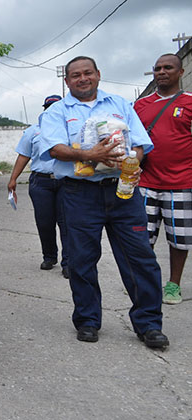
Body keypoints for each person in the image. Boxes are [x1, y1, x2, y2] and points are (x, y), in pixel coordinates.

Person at [39, 56, 168, 349]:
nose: (82, 79)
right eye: (75, 75)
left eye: (87, 73)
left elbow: (139, 142)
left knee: (140, 259)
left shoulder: (121, 105)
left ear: (98, 74)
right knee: (82, 260)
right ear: (67, 80)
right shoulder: (57, 111)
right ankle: (87, 320)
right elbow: (55, 149)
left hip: (123, 192)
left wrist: (129, 161)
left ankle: (148, 324)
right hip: (79, 194)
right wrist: (90, 155)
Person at [134, 53, 192, 305]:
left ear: (180, 72)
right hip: (145, 183)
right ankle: (145, 284)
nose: (161, 72)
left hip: (181, 184)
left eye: (168, 67)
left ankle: (173, 285)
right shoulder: (141, 105)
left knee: (179, 239)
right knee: (141, 238)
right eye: (157, 68)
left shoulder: (189, 102)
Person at [7, 94, 69, 278]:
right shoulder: (33, 131)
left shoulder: (69, 129)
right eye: (48, 107)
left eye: (56, 107)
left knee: (67, 223)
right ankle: (49, 257)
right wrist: (13, 179)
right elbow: (23, 156)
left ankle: (69, 262)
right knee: (45, 222)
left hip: (66, 182)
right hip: (41, 182)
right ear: (44, 110)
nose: (52, 110)